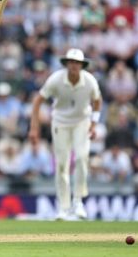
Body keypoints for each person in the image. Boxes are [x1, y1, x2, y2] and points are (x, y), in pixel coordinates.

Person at [28, 48, 102, 220]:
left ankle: (78, 201)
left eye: (77, 63)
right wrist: (34, 128)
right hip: (60, 123)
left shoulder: (90, 81)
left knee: (82, 158)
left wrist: (93, 123)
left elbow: (98, 100)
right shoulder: (56, 79)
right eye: (71, 62)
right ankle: (63, 207)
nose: (74, 66)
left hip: (82, 122)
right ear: (66, 64)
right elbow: (38, 100)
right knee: (62, 164)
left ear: (82, 65)